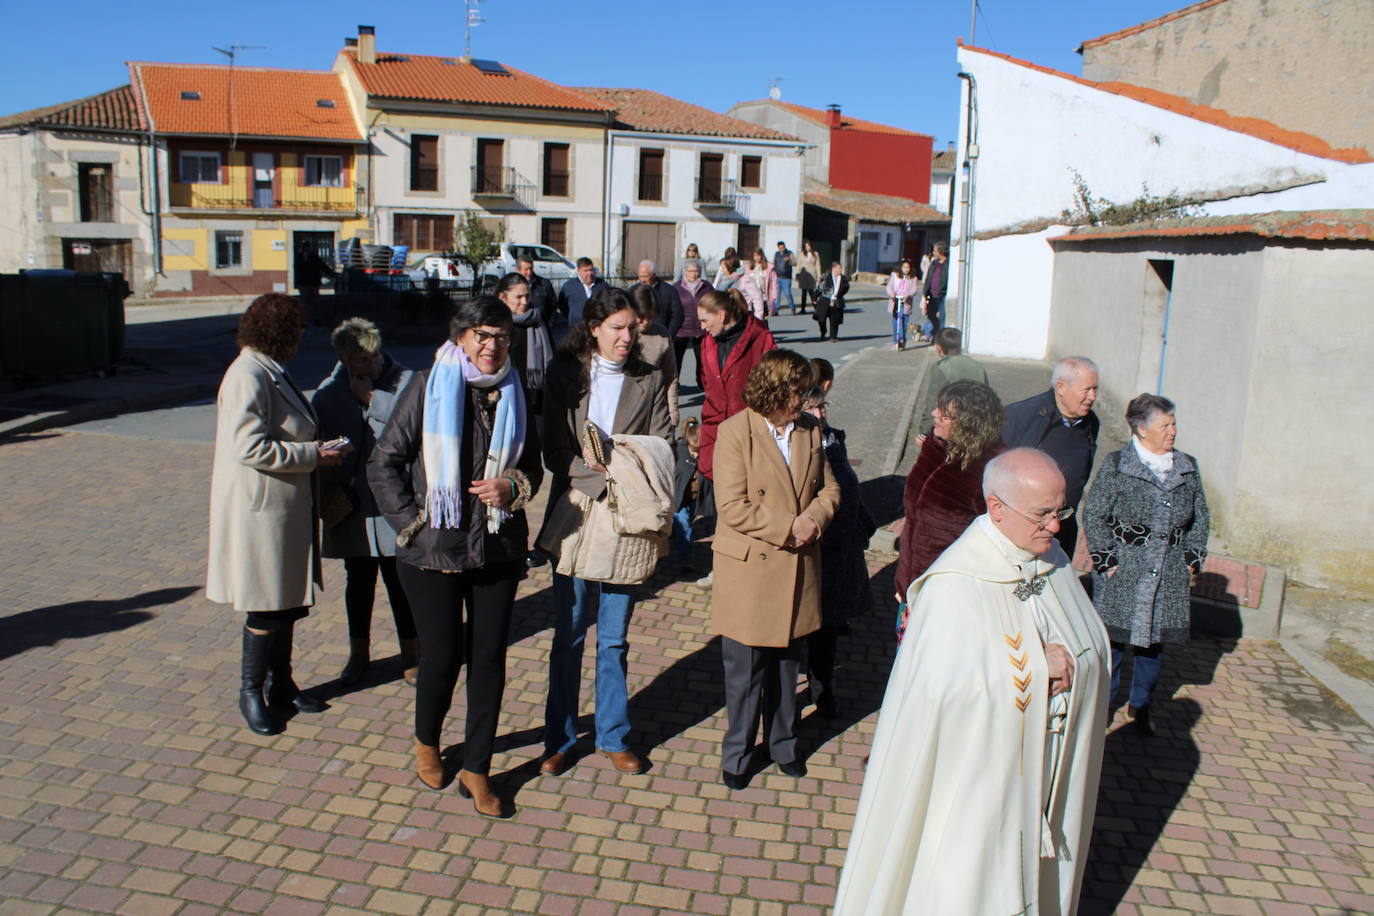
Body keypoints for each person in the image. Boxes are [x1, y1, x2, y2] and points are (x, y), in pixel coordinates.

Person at [834, 449, 1110, 916]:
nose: (1056, 526)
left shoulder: (1051, 560)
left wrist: (1076, 667)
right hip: (975, 783)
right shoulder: (953, 585)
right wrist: (1036, 667)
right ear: (997, 508)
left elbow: (1091, 644)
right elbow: (944, 693)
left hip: (1044, 768)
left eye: (1061, 511)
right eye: (1043, 514)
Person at [367, 297, 543, 818]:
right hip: (432, 553)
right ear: (462, 337)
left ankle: (478, 768)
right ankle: (427, 742)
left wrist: (512, 486)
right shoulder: (428, 385)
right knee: (441, 659)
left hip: (498, 546)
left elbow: (531, 467)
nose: (492, 346)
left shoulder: (517, 389)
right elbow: (383, 464)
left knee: (489, 661)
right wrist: (412, 524)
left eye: (501, 337)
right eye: (482, 336)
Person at [538, 287, 674, 778]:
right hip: (575, 511)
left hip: (625, 519)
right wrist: (593, 476)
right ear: (593, 327)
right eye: (616, 327)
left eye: (631, 327)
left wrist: (623, 468)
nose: (626, 336)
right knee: (569, 635)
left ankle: (614, 737)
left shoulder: (648, 377)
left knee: (613, 637)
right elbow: (552, 448)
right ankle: (559, 739)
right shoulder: (564, 373)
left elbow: (662, 443)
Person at [208, 294, 346, 736]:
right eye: (297, 331)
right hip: (261, 510)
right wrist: (312, 454)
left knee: (287, 602)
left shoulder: (267, 367)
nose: (301, 340)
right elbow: (248, 446)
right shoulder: (247, 374)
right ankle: (251, 691)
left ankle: (281, 684)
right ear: (279, 332)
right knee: (265, 606)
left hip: (284, 508)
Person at [711, 350, 840, 789]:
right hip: (752, 572)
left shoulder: (809, 429)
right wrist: (790, 526)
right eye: (800, 390)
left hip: (799, 566)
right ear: (778, 389)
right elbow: (730, 506)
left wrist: (815, 520)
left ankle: (784, 746)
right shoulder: (735, 432)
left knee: (787, 671)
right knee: (745, 675)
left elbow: (830, 487)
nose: (806, 398)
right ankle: (738, 754)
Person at [1084, 394, 1209, 736]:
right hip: (1126, 569)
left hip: (1167, 571)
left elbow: (1201, 518)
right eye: (1164, 424)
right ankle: (1103, 707)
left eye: (1173, 423)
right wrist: (1108, 561)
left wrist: (1190, 561)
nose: (1172, 431)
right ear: (1141, 428)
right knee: (1115, 643)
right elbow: (1094, 513)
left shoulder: (1187, 466)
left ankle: (1141, 705)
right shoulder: (1118, 464)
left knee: (1153, 646)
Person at [311, 318, 418, 687]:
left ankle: (413, 653)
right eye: (359, 361)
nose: (369, 366)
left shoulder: (404, 382)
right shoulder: (328, 393)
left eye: (372, 357)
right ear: (344, 359)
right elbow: (317, 436)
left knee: (399, 580)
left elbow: (414, 427)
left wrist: (372, 401)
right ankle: (359, 655)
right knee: (357, 583)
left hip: (393, 503)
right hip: (353, 507)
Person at [895, 381, 1005, 626]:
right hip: (911, 586)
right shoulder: (934, 448)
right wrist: (905, 589)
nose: (934, 415)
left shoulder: (991, 469)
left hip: (951, 597)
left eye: (944, 413)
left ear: (968, 423)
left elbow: (995, 544)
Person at [800, 383, 876, 715]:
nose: (820, 414)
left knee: (827, 627)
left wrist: (862, 523)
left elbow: (848, 486)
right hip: (812, 548)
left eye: (823, 406)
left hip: (839, 548)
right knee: (803, 626)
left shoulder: (833, 439)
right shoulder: (798, 445)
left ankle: (822, 688)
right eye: (812, 407)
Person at [1001, 356, 1101, 556]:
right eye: (1086, 389)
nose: (1092, 396)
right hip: (1022, 533)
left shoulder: (1091, 423)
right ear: (1061, 387)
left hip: (1062, 531)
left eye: (1095, 389)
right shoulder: (1020, 416)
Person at [497, 272, 553, 422]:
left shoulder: (538, 321)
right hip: (505, 397)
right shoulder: (496, 326)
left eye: (527, 296)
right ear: (503, 297)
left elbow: (551, 358)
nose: (525, 302)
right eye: (518, 297)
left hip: (536, 399)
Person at [915, 327, 989, 436]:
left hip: (953, 427)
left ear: (938, 348)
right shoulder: (977, 367)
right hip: (977, 426)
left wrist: (924, 432)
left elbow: (933, 402)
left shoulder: (941, 368)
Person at [630, 283, 681, 430]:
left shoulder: (662, 336)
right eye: (641, 316)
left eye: (651, 317)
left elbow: (670, 376)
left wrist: (673, 412)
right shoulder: (621, 334)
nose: (646, 322)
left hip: (653, 407)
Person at [670, 416, 703, 573]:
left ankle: (674, 536)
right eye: (694, 450)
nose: (696, 455)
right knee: (684, 523)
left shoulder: (704, 454)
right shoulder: (679, 451)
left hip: (693, 497)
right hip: (679, 497)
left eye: (699, 451)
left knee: (687, 520)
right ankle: (686, 558)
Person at [673, 258, 710, 387]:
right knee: (676, 359)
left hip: (701, 329)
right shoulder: (677, 287)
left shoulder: (706, 287)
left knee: (702, 359)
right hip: (681, 329)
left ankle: (702, 382)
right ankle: (674, 383)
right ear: (685, 272)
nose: (693, 274)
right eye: (690, 271)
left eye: (696, 271)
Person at [554, 257, 606, 342]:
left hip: (596, 328)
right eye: (586, 271)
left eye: (591, 270)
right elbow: (562, 305)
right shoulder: (569, 286)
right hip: (576, 329)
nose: (589, 273)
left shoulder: (602, 286)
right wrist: (572, 315)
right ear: (578, 271)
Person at [629, 259, 683, 339]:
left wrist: (668, 335)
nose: (642, 280)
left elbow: (678, 316)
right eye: (640, 276)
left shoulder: (669, 291)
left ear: (653, 275)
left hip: (661, 335)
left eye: (645, 276)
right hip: (637, 336)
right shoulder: (633, 291)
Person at [294, 241, 336, 326]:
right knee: (305, 302)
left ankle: (315, 319)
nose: (307, 249)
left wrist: (334, 274)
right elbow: (297, 269)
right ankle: (305, 320)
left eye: (307, 247)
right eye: (305, 247)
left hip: (313, 283)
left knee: (314, 302)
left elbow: (323, 267)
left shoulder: (314, 257)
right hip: (304, 283)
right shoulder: (299, 257)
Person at [886, 258, 920, 350]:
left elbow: (914, 289)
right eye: (904, 267)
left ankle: (902, 340)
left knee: (904, 321)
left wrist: (908, 295)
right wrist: (892, 294)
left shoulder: (913, 278)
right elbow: (889, 287)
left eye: (908, 267)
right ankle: (896, 340)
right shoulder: (895, 276)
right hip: (896, 301)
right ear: (901, 268)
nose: (906, 269)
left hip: (906, 302)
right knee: (896, 321)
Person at [920, 241, 949, 339]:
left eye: (935, 251)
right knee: (930, 315)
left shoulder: (948, 264)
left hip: (943, 294)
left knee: (941, 316)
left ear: (941, 251)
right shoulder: (933, 263)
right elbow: (928, 278)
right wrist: (925, 293)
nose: (933, 252)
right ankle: (931, 334)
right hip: (931, 294)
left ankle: (939, 338)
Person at [737, 248, 777, 321]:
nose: (757, 257)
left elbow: (773, 282)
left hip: (764, 296)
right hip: (752, 296)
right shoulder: (748, 267)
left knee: (764, 316)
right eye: (755, 256)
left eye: (758, 255)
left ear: (762, 256)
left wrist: (774, 295)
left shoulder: (768, 267)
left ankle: (764, 329)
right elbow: (739, 274)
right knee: (754, 315)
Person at [814, 262, 849, 342]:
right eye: (839, 268)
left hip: (836, 301)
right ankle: (823, 332)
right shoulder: (826, 277)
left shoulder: (843, 278)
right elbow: (819, 288)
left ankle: (833, 336)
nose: (840, 270)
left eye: (841, 268)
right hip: (825, 300)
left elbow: (846, 288)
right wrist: (815, 298)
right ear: (834, 268)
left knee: (834, 320)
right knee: (821, 319)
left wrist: (839, 295)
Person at [795, 241, 821, 315]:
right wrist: (797, 274)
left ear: (811, 246)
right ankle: (803, 309)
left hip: (812, 275)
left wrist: (819, 276)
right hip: (803, 275)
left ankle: (817, 308)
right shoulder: (801, 254)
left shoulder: (815, 254)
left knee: (812, 293)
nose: (807, 248)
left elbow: (817, 265)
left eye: (808, 246)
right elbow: (798, 265)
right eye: (806, 246)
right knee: (803, 293)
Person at [773, 241, 796, 314]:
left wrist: (789, 260)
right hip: (777, 277)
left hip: (786, 277)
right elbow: (774, 263)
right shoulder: (776, 254)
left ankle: (792, 308)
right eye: (780, 248)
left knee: (788, 294)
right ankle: (776, 310)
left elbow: (795, 263)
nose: (781, 249)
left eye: (783, 247)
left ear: (785, 247)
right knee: (777, 295)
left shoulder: (789, 253)